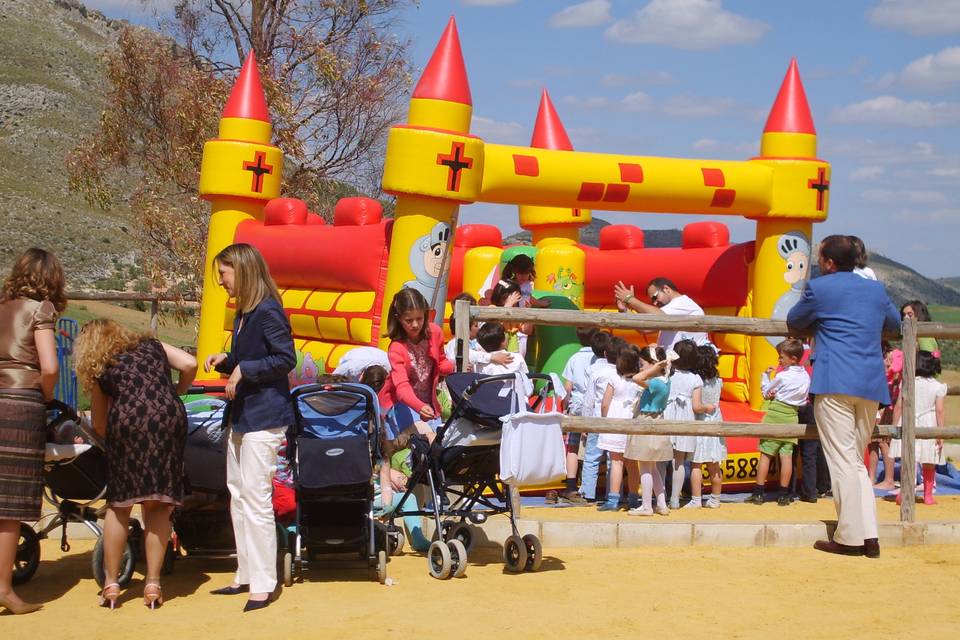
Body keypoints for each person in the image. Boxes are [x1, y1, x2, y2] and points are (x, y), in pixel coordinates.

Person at [787, 234, 900, 558]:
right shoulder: (876, 290)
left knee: (843, 461)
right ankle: (870, 535)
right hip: (869, 383)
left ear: (828, 263)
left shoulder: (820, 288)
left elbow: (795, 321)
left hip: (834, 379)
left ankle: (850, 537)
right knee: (855, 460)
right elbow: (893, 323)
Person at [74, 319, 197, 609]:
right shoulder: (151, 345)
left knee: (119, 506)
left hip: (128, 423)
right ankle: (152, 585)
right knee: (157, 504)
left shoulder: (101, 364)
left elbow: (101, 424)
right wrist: (175, 390)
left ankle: (111, 585)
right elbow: (190, 363)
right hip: (167, 418)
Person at [204, 243, 296, 611]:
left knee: (256, 499)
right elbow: (253, 358)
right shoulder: (245, 312)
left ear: (241, 270)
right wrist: (229, 360)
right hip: (242, 416)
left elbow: (285, 358)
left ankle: (263, 582)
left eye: (224, 274)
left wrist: (246, 369)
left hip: (264, 418)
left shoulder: (269, 310)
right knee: (238, 495)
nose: (221, 282)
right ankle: (244, 573)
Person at [0, 248, 64, 615]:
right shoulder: (41, 309)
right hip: (21, 403)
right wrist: (47, 394)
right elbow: (50, 366)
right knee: (9, 505)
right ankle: (5, 589)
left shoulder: (2, 305)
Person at [376, 287, 454, 505]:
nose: (415, 325)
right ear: (399, 318)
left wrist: (451, 367)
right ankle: (431, 497)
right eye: (408, 320)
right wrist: (418, 407)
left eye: (419, 318)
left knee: (437, 447)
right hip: (402, 405)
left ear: (427, 315)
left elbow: (440, 360)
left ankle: (433, 500)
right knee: (423, 442)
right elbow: (401, 387)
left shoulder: (436, 332)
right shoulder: (396, 347)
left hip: (429, 402)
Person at [746, 338, 810, 507]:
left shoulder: (782, 376)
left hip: (776, 413)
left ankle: (758, 492)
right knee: (787, 456)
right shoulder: (805, 376)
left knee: (766, 454)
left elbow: (766, 393)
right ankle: (783, 494)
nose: (779, 360)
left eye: (782, 357)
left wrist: (765, 376)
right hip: (793, 416)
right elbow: (803, 399)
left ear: (793, 359)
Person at [891, 351, 945, 506]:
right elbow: (940, 410)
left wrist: (895, 427)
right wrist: (940, 433)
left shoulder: (907, 382)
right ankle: (928, 495)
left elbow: (899, 407)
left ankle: (904, 493)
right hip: (929, 422)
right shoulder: (937, 386)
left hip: (909, 421)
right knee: (929, 459)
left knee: (909, 459)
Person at [624, 345, 673, 516]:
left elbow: (637, 378)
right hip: (657, 420)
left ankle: (646, 505)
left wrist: (652, 368)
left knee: (645, 466)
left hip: (646, 421)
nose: (641, 367)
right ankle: (661, 504)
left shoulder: (655, 382)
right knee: (652, 467)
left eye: (643, 363)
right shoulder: (666, 381)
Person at [554, 327, 597, 506]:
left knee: (572, 446)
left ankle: (571, 484)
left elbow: (568, 387)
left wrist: (565, 405)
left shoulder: (574, 358)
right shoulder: (599, 359)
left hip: (577, 404)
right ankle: (590, 485)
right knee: (592, 447)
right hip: (594, 404)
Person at [597, 346, 642, 512]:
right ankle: (633, 498)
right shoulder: (639, 380)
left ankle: (613, 498)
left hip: (615, 419)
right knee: (632, 464)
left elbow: (605, 403)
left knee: (616, 461)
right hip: (631, 420)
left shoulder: (614, 378)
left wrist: (604, 419)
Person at [663, 339, 706, 509]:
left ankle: (661, 496)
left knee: (661, 460)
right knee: (679, 461)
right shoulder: (696, 379)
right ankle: (674, 498)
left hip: (667, 413)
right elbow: (696, 405)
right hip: (685, 415)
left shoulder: (668, 373)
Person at [613, 277, 709, 348]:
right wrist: (624, 310)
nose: (655, 303)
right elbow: (644, 329)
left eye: (655, 297)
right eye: (652, 301)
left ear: (666, 289)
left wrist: (630, 300)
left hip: (687, 369)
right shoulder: (671, 310)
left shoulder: (683, 303)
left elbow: (660, 316)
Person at [574, 331, 613, 503]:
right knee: (614, 459)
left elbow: (588, 400)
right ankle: (613, 493)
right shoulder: (618, 370)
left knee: (591, 458)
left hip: (596, 418)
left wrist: (585, 423)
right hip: (615, 419)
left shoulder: (593, 370)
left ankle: (588, 493)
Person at [689, 344, 726, 509]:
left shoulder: (696, 381)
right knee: (714, 463)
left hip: (700, 420)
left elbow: (696, 404)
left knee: (696, 463)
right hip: (716, 421)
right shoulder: (719, 381)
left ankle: (696, 499)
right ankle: (715, 498)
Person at [443, 292, 512, 372]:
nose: (455, 315)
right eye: (454, 312)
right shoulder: (455, 342)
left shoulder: (477, 338)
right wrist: (491, 357)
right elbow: (466, 354)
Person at [490, 279, 533, 356]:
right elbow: (496, 326)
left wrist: (528, 313)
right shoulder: (492, 308)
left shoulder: (514, 312)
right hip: (496, 352)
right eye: (515, 297)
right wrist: (508, 304)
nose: (516, 300)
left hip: (513, 351)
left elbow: (527, 331)